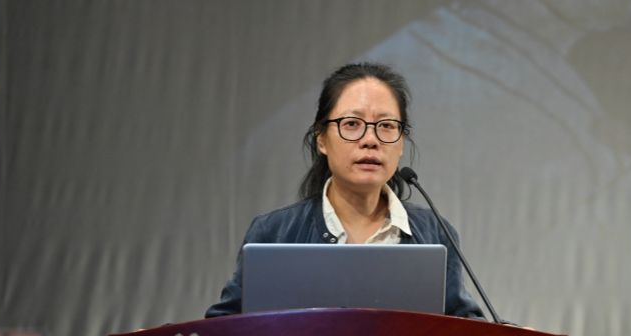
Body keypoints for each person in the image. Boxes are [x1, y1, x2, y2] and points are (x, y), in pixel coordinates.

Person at [205, 62, 483, 319]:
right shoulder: (274, 233)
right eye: (352, 124)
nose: (370, 140)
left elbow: (468, 329)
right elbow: (222, 331)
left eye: (386, 126)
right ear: (321, 139)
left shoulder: (436, 233)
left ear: (401, 143)